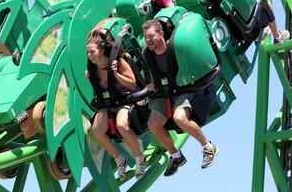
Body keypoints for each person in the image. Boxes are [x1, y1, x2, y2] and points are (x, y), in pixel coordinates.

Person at [142, 19, 218, 177]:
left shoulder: (174, 48)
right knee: (153, 124)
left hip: (184, 88)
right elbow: (153, 71)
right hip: (166, 91)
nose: (148, 40)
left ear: (161, 34)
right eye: (146, 37)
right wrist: (152, 84)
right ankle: (176, 156)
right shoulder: (147, 53)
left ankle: (208, 147)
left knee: (180, 118)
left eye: (151, 36)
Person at [86, 24, 146, 180]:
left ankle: (140, 157)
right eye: (88, 53)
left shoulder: (119, 62)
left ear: (101, 50)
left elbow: (132, 84)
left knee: (121, 124)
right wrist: (91, 79)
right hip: (110, 102)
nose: (90, 55)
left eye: (92, 52)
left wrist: (116, 74)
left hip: (128, 98)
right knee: (96, 129)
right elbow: (100, 92)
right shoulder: (93, 69)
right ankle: (120, 158)